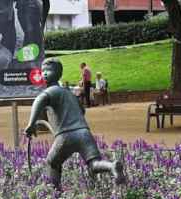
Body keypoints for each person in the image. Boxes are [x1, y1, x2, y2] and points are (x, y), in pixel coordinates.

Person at [24, 58, 125, 191]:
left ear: (58, 74)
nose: (45, 74)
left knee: (52, 162)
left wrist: (31, 124)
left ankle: (55, 192)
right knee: (94, 164)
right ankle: (111, 166)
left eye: (49, 71)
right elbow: (82, 110)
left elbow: (39, 100)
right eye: (43, 71)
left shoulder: (52, 91)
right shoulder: (69, 93)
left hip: (66, 135)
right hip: (84, 132)